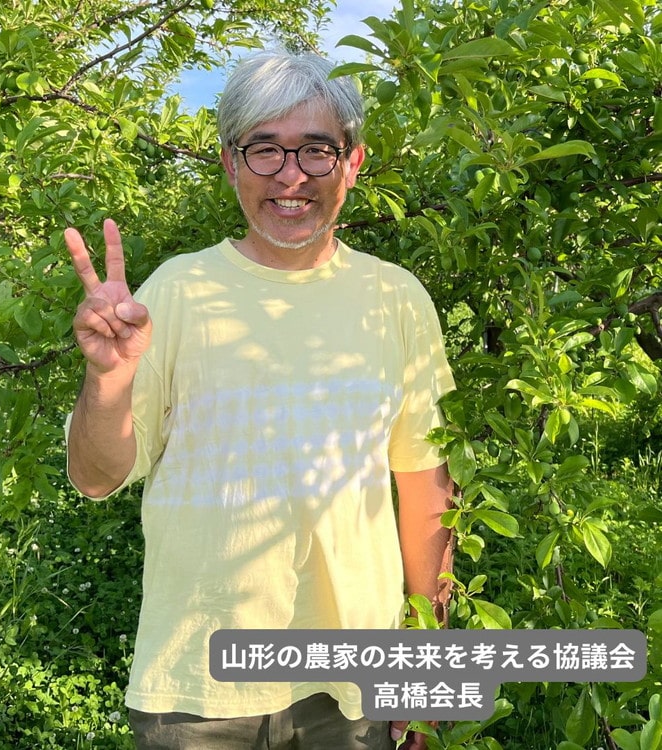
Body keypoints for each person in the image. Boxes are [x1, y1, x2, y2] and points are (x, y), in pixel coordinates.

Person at [64, 50, 456, 750]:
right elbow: (95, 477)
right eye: (264, 149)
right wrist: (108, 380)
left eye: (316, 149)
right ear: (230, 163)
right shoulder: (177, 292)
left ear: (353, 162)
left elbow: (425, 488)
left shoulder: (395, 299)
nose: (291, 175)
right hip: (196, 687)